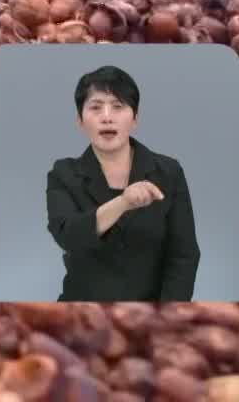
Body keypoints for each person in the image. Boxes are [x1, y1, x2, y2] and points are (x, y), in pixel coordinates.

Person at [44, 65, 199, 302]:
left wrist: (168, 313)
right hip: (82, 314)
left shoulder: (168, 171)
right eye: (95, 107)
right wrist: (123, 202)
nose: (107, 117)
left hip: (150, 315)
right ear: (80, 121)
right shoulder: (64, 173)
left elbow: (184, 254)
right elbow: (68, 236)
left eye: (118, 106)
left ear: (135, 119)